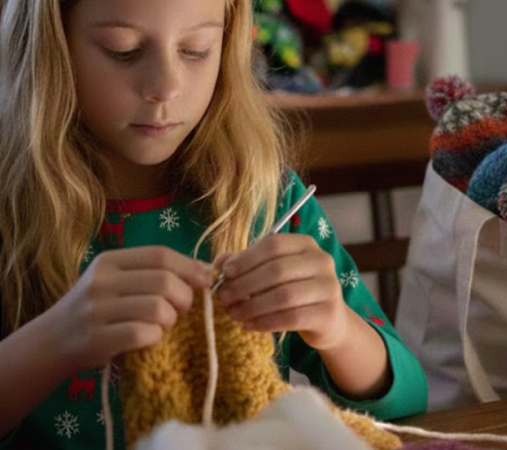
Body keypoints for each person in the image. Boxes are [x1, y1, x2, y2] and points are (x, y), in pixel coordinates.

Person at [0, 0, 428, 448]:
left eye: (196, 49)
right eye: (122, 50)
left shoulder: (265, 200)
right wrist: (54, 341)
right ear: (50, 46)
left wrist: (336, 327)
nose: (166, 86)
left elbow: (408, 399)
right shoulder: (15, 212)